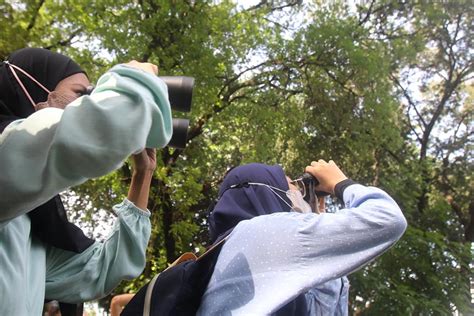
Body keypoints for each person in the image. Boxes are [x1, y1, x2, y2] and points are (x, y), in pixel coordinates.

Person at [0, 47, 173, 315]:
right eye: (81, 94)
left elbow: (104, 269)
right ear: (32, 92)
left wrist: (143, 175)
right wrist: (137, 80)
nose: (86, 103)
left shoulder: (33, 235)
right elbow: (87, 133)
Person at [196, 160, 407, 315]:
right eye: (294, 186)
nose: (300, 194)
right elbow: (388, 218)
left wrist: (315, 217)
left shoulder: (226, 254)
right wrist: (340, 183)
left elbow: (320, 309)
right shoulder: (265, 232)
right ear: (267, 190)